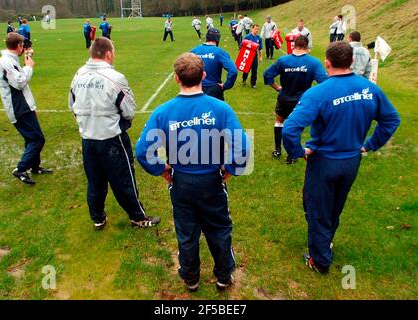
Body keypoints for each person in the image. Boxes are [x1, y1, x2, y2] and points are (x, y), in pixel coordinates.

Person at [135, 53, 250, 292]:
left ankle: (190, 278)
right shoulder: (220, 108)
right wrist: (230, 168)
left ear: (176, 78)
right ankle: (223, 275)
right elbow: (243, 147)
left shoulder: (163, 111)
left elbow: (142, 150)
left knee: (187, 231)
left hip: (182, 181)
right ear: (204, 76)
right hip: (211, 181)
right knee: (218, 228)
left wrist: (160, 168)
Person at [282, 41, 400, 274]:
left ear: (327, 62)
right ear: (351, 62)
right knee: (335, 205)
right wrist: (368, 146)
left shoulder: (318, 92)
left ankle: (320, 260)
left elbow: (289, 128)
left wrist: (298, 152)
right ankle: (326, 241)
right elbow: (391, 119)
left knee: (317, 208)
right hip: (351, 161)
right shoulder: (369, 89)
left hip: (324, 161)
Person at [69, 37, 161, 230]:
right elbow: (128, 110)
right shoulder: (115, 78)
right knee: (124, 178)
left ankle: (97, 218)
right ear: (109, 54)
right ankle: (138, 217)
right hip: (111, 139)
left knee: (95, 180)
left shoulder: (78, 75)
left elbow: (72, 105)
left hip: (87, 138)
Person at [0, 33, 52, 185]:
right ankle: (20, 169)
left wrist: (27, 58)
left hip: (23, 106)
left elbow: (17, 76)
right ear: (18, 46)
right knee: (37, 139)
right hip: (19, 108)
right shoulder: (6, 62)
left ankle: (35, 167)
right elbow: (19, 82)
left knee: (31, 138)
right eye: (23, 46)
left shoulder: (11, 60)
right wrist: (28, 67)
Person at [264, 35, 327, 163]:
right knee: (295, 127)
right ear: (307, 47)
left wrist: (277, 87)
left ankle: (277, 150)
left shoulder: (283, 60)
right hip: (302, 102)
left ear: (293, 45)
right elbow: (324, 82)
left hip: (284, 98)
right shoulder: (313, 62)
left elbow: (267, 75)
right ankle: (292, 155)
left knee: (279, 122)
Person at [191, 28, 238, 101]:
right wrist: (226, 85)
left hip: (196, 89)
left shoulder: (194, 51)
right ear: (217, 38)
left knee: (197, 111)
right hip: (214, 90)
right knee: (217, 111)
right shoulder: (219, 52)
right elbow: (233, 70)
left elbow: (187, 70)